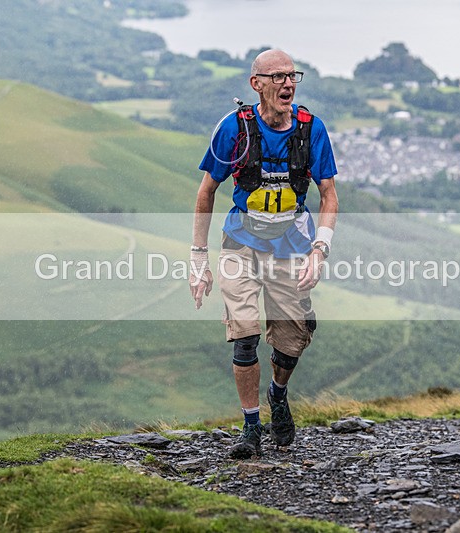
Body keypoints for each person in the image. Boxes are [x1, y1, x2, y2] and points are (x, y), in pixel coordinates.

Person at [189, 49, 339, 458]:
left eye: (292, 76)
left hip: (292, 247)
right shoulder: (233, 128)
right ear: (256, 84)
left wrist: (319, 251)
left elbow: (328, 195)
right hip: (240, 243)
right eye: (277, 77)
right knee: (244, 336)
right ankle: (251, 427)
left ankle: (278, 393)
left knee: (292, 339)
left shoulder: (311, 129)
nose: (287, 84)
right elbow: (207, 192)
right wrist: (198, 260)